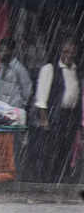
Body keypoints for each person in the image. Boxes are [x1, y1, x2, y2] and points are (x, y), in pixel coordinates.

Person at [30, 36, 82, 184]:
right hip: (54, 117)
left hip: (69, 117)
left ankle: (59, 180)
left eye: (72, 52)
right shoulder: (50, 69)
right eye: (66, 51)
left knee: (65, 150)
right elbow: (41, 99)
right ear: (60, 51)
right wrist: (45, 121)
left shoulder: (75, 70)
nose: (69, 55)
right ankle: (46, 181)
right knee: (50, 151)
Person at [0, 38, 33, 183]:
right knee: (1, 144)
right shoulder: (1, 67)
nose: (2, 53)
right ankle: (0, 174)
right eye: (1, 50)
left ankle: (11, 175)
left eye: (5, 50)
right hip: (2, 111)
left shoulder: (19, 69)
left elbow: (27, 90)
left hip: (14, 113)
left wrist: (19, 106)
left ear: (11, 51)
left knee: (12, 145)